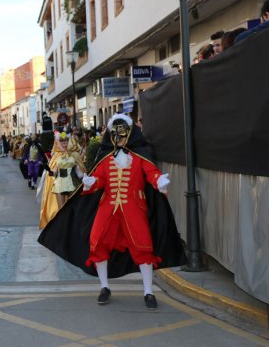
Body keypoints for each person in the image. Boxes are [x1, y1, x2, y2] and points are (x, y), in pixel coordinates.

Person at [38, 113, 185, 311]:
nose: (119, 139)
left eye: (122, 135)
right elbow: (99, 180)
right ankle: (104, 287)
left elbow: (151, 172)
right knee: (97, 242)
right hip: (108, 207)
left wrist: (159, 181)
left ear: (130, 134)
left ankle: (148, 291)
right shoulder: (105, 157)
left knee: (143, 245)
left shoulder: (140, 156)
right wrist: (91, 182)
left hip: (134, 207)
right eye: (115, 136)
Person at [50, 132, 84, 209]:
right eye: (61, 140)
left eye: (66, 140)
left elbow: (81, 168)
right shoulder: (57, 155)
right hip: (60, 184)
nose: (64, 142)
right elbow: (55, 170)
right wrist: (51, 172)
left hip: (72, 183)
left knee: (72, 208)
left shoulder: (74, 154)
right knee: (61, 210)